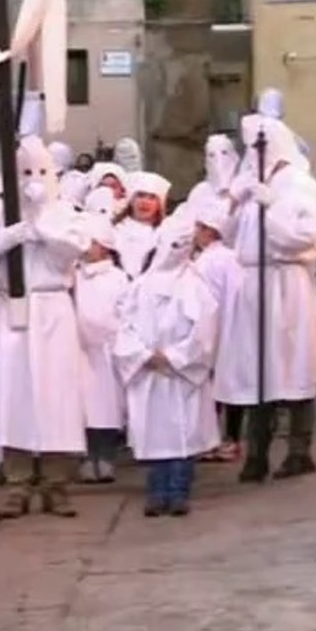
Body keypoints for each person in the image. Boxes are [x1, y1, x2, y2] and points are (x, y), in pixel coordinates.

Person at [0, 136, 91, 519]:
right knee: (13, 398)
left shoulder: (63, 211)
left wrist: (43, 228)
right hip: (12, 311)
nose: (33, 180)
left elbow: (78, 247)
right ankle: (17, 482)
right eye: (25, 172)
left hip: (52, 312)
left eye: (40, 171)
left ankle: (56, 482)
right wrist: (2, 243)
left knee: (56, 400)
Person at [215, 114, 316, 482]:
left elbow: (304, 238)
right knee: (256, 370)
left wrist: (270, 209)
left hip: (286, 281)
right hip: (253, 284)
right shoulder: (251, 185)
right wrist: (236, 203)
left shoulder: (300, 185)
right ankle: (257, 453)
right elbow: (231, 236)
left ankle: (299, 450)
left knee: (293, 365)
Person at [114, 216, 221, 516]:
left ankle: (178, 490)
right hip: (148, 371)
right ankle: (156, 489)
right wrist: (142, 355)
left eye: (184, 245)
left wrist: (175, 357)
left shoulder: (196, 286)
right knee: (155, 435)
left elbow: (204, 330)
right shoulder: (140, 287)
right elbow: (123, 327)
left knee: (183, 435)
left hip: (180, 374)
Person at [74, 213, 131, 484]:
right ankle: (86, 457)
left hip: (108, 351)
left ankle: (106, 456)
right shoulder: (73, 277)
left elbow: (125, 311)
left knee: (107, 406)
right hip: (80, 351)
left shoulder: (118, 278)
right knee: (83, 407)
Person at [190, 198, 244, 462]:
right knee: (223, 388)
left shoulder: (217, 260)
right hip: (221, 328)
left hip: (217, 328)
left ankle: (222, 439)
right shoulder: (220, 259)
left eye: (198, 228)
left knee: (219, 388)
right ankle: (223, 438)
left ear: (209, 230)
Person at [115, 171, 170, 279]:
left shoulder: (166, 233)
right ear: (131, 200)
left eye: (152, 197)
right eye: (140, 195)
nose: (145, 202)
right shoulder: (114, 230)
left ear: (160, 204)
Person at [179, 134, 239, 221]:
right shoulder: (200, 191)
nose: (219, 161)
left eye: (224, 153)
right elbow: (188, 222)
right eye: (212, 155)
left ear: (234, 158)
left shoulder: (241, 189)